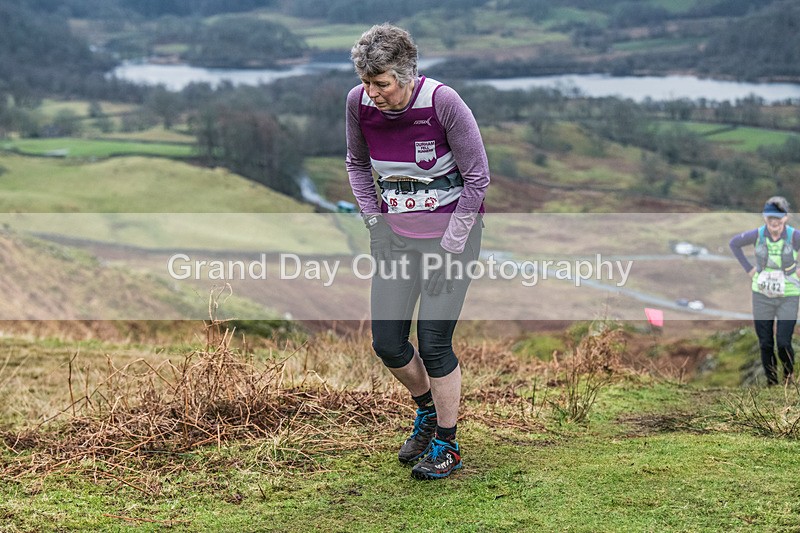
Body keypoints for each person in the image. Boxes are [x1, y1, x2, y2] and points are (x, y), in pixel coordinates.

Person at [345, 23, 490, 479]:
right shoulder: (357, 104)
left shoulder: (442, 103)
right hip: (396, 237)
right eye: (366, 82)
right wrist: (375, 224)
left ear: (407, 75)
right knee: (387, 343)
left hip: (453, 235)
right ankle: (426, 412)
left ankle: (447, 445)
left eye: (381, 83)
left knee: (433, 342)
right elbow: (356, 164)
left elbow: (478, 179)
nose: (372, 93)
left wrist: (451, 245)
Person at [730, 196, 800, 386]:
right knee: (766, 343)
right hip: (762, 295)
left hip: (789, 295)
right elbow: (734, 243)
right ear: (764, 218)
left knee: (784, 342)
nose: (774, 222)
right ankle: (772, 382)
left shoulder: (794, 236)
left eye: (778, 218)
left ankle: (788, 377)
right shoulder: (758, 235)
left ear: (785, 218)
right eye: (770, 218)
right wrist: (749, 269)